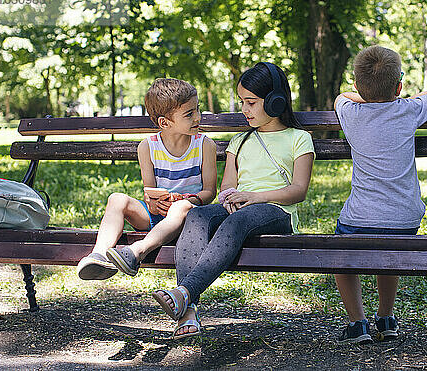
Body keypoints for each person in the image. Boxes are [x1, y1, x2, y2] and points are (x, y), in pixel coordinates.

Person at [151, 62, 315, 339]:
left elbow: (298, 190)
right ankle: (187, 310)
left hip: (277, 211)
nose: (244, 109)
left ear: (275, 102)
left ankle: (185, 292)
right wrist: (228, 197)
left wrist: (254, 197)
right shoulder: (240, 141)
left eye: (251, 102)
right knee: (196, 215)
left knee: (240, 218)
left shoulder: (298, 139)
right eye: (242, 102)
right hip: (240, 210)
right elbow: (228, 185)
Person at [333, 45, 427, 343]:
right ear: (399, 86)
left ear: (357, 85)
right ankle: (386, 317)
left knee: (339, 256)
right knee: (389, 251)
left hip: (359, 221)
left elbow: (339, 97)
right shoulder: (408, 110)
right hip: (404, 222)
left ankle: (358, 323)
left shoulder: (351, 113)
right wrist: (398, 99)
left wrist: (362, 95)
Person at [76, 78, 217, 280]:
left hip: (191, 216)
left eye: (197, 110)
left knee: (180, 208)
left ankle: (136, 252)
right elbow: (149, 192)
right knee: (117, 198)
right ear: (164, 123)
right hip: (158, 216)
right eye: (189, 114)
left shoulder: (204, 145)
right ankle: (99, 255)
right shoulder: (147, 147)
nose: (198, 117)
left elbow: (210, 192)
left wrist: (186, 200)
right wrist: (153, 203)